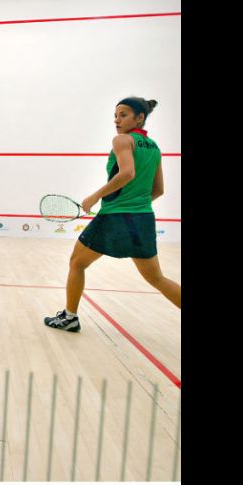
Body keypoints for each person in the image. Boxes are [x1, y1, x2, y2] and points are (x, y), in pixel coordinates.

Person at [44, 96, 181, 332]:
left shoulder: (122, 140)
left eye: (123, 115)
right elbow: (158, 190)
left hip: (115, 217)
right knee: (157, 279)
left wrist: (96, 196)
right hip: (143, 219)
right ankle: (70, 316)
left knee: (76, 263)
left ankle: (70, 317)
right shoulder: (154, 148)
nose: (117, 120)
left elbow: (127, 173)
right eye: (116, 115)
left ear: (140, 118)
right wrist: (134, 206)